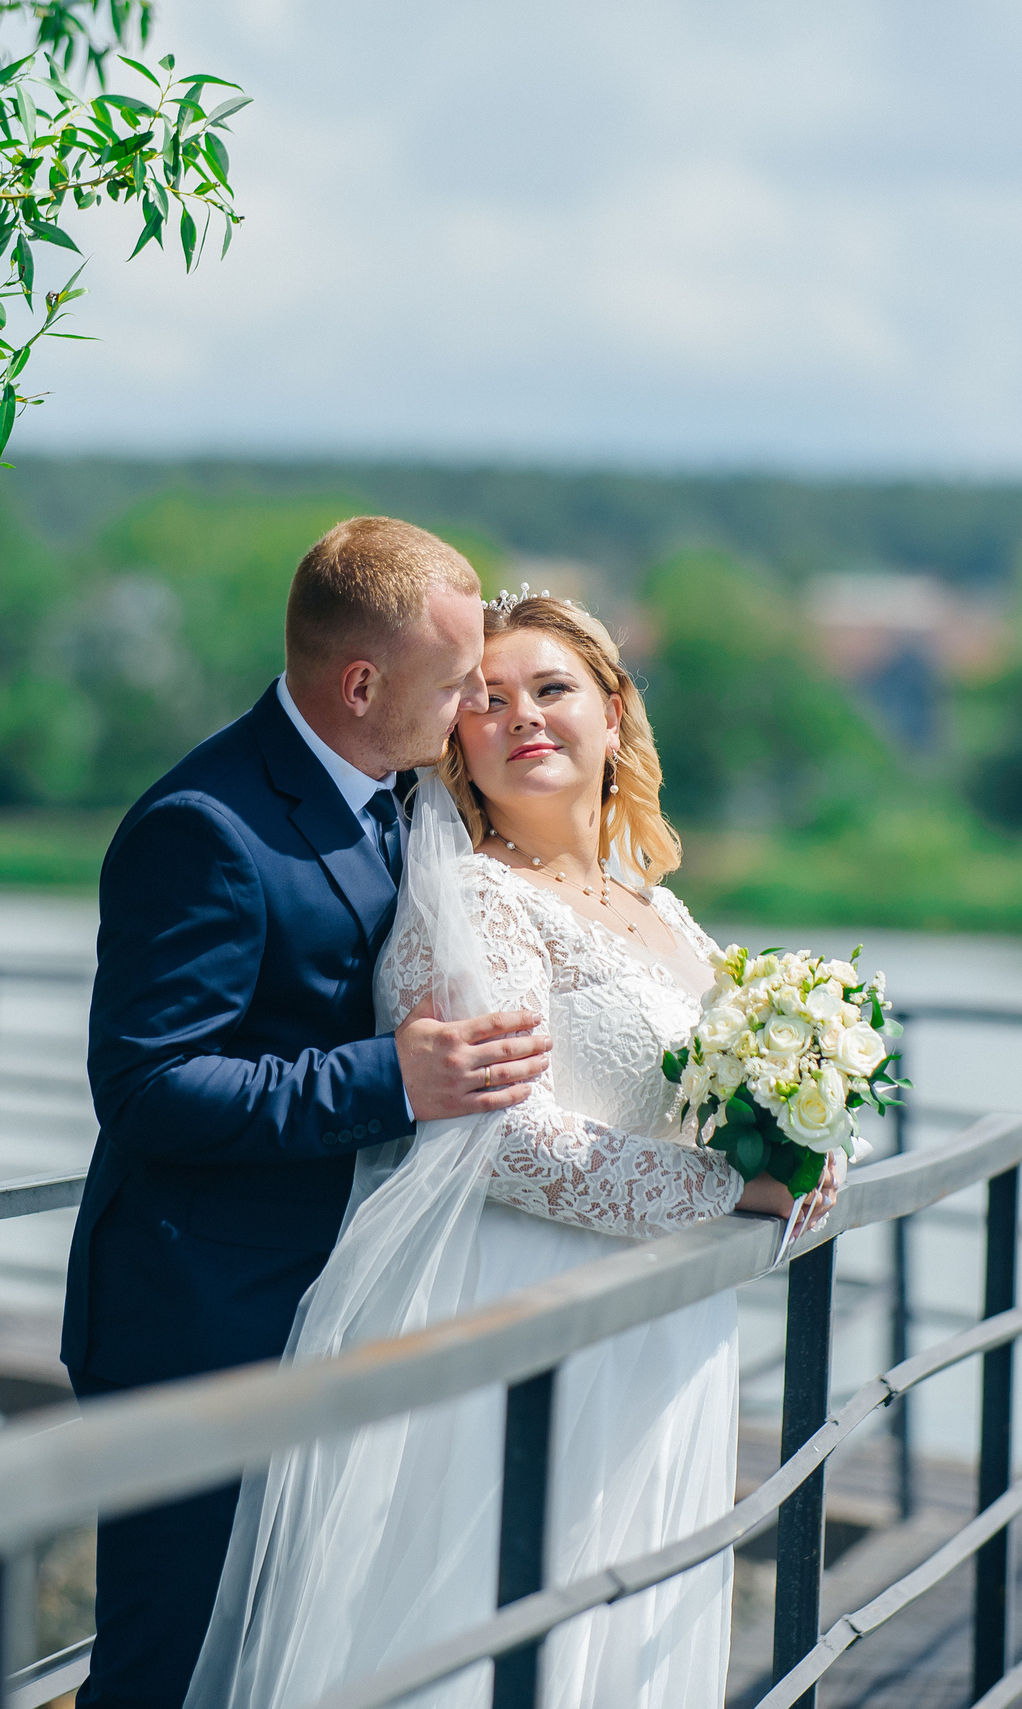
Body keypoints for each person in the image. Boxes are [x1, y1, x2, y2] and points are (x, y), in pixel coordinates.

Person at [186, 592, 839, 1709]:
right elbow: (500, 1136)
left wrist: (812, 1138)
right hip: (523, 1307)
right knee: (506, 1639)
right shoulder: (471, 901)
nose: (521, 716)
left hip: (661, 1329)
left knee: (620, 1632)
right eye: (485, 701)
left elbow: (730, 1103)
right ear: (454, 743)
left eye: (551, 689)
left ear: (614, 713)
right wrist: (733, 1188)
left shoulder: (663, 915)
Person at [68, 518, 559, 1708]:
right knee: (169, 1666)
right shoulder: (205, 828)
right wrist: (393, 1077)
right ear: (360, 682)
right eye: (456, 688)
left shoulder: (398, 790)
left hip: (337, 1306)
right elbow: (145, 1085)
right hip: (203, 1327)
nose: (467, 715)